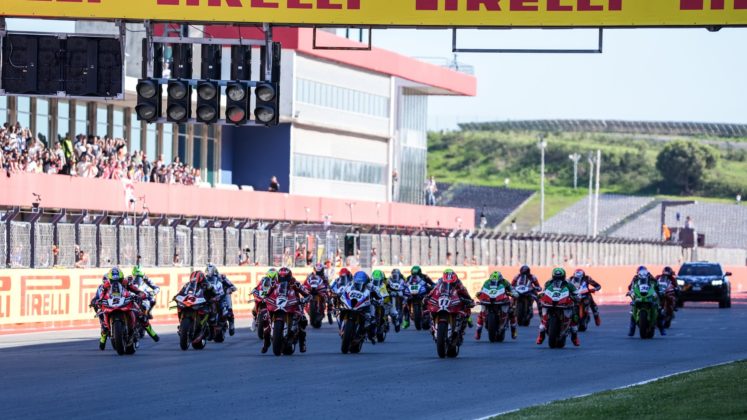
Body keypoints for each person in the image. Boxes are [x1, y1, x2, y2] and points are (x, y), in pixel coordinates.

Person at [91, 267, 159, 350]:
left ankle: (151, 332)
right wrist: (98, 301)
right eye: (113, 281)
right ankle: (103, 339)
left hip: (125, 300)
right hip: (111, 303)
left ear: (122, 278)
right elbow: (101, 295)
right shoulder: (106, 285)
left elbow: (135, 290)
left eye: (119, 280)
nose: (116, 282)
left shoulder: (126, 282)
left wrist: (140, 295)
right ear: (110, 279)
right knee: (103, 320)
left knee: (141, 315)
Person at [261, 267, 309, 353]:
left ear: (290, 276)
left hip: (293, 303)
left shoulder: (295, 283)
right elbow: (266, 293)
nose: (283, 279)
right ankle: (266, 342)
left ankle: (302, 343)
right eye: (281, 277)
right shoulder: (274, 283)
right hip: (277, 303)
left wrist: (305, 299)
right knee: (264, 317)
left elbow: (306, 293)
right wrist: (264, 297)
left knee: (303, 319)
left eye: (285, 277)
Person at [536, 268, 580, 347]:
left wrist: (576, 297)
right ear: (553, 276)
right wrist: (541, 295)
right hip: (550, 303)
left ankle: (574, 337)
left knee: (575, 316)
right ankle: (541, 335)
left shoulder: (569, 284)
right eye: (556, 278)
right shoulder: (548, 283)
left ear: (564, 277)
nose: (558, 280)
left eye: (560, 278)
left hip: (565, 303)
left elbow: (576, 293)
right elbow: (544, 291)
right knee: (543, 316)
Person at [425, 269, 474, 337]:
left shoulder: (459, 284)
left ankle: (463, 327)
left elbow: (466, 294)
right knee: (428, 308)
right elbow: (434, 291)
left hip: (455, 302)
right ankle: (431, 324)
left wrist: (469, 301)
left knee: (466, 309)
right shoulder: (440, 283)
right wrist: (427, 297)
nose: (449, 284)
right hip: (443, 301)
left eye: (452, 283)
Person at [174, 270, 220, 341]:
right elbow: (182, 292)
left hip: (204, 302)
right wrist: (176, 296)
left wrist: (214, 297)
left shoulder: (207, 285)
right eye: (193, 279)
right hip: (193, 302)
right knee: (180, 307)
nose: (194, 281)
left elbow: (214, 292)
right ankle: (182, 326)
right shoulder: (188, 285)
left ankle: (212, 327)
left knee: (212, 309)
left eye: (196, 279)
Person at [475, 271, 518, 340]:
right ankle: (478, 331)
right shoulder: (487, 282)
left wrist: (514, 293)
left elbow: (512, 289)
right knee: (481, 313)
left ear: (501, 279)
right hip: (489, 300)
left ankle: (514, 331)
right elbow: (483, 290)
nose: (494, 281)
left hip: (502, 300)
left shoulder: (505, 282)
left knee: (511, 312)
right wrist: (480, 294)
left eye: (497, 280)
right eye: (492, 280)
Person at [627, 266, 665, 337]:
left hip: (650, 297)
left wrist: (660, 291)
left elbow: (658, 286)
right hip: (639, 297)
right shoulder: (635, 279)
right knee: (632, 310)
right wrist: (630, 292)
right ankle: (632, 329)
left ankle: (662, 329)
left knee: (659, 310)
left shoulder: (652, 279)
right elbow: (630, 287)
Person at [206, 264, 238, 336]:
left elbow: (233, 287)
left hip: (222, 296)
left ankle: (231, 324)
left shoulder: (221, 277)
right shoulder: (205, 279)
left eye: (211, 272)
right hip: (209, 297)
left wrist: (229, 289)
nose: (210, 274)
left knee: (229, 310)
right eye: (208, 272)